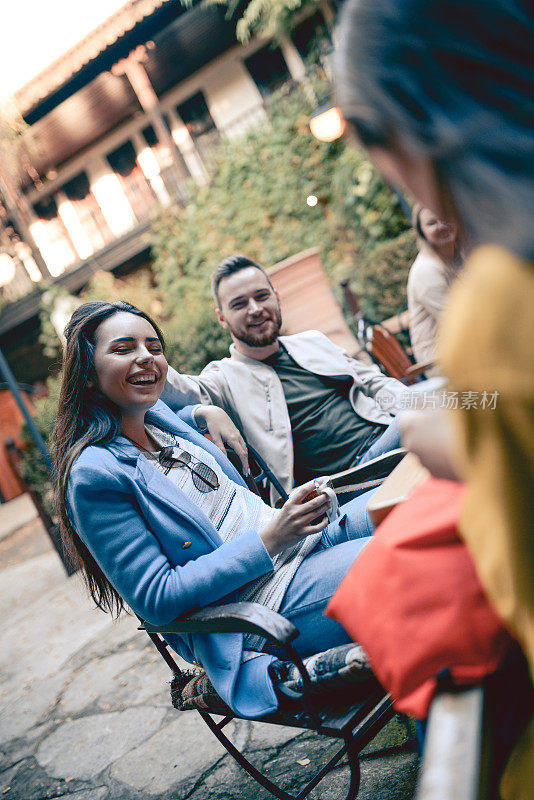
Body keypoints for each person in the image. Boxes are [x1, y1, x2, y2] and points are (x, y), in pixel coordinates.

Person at [334, 0, 534, 795]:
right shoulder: (442, 271)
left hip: (458, 397)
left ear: (410, 131)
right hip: (445, 390)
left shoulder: (497, 288)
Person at [54, 300, 378, 719]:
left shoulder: (154, 418)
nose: (145, 356)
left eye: (153, 345)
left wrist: (208, 410)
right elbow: (157, 598)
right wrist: (271, 538)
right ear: (87, 374)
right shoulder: (93, 475)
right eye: (123, 348)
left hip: (302, 542)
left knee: (419, 511)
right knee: (401, 560)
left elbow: (179, 411)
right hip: (260, 604)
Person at [163, 254, 419, 498]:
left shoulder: (312, 341)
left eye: (262, 296)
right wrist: (137, 353)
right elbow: (174, 389)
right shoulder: (222, 379)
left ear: (276, 298)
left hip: (388, 437)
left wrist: (421, 404)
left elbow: (376, 384)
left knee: (447, 399)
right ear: (222, 317)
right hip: (344, 481)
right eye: (239, 304)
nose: (255, 309)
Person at [407, 205, 461, 375]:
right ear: (422, 232)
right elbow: (457, 320)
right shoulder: (426, 270)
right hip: (440, 360)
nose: (441, 226)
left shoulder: (459, 255)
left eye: (445, 218)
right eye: (431, 223)